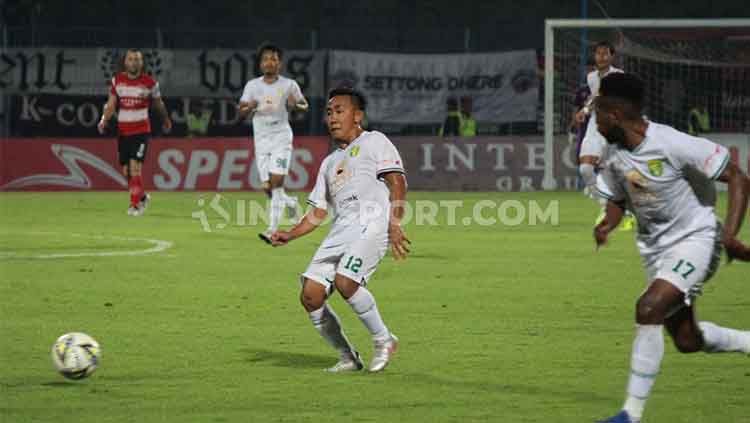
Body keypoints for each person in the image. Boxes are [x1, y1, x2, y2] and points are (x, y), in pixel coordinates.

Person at [592, 73, 750, 423]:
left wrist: (729, 235)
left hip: (697, 238)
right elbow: (619, 196)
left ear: (615, 114)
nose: (595, 119)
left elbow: (738, 177)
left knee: (648, 307)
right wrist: (608, 222)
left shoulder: (671, 142)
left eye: (598, 112)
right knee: (687, 340)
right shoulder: (614, 153)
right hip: (655, 251)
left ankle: (629, 416)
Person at [269, 87, 410, 373]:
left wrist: (395, 224)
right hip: (341, 230)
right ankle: (348, 356)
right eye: (329, 112)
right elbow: (318, 212)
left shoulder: (375, 141)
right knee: (310, 295)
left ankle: (384, 339)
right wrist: (290, 233)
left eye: (340, 111)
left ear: (358, 116)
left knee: (347, 282)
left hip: (373, 223)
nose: (332, 117)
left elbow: (397, 182)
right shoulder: (329, 163)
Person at [237, 43, 309, 243]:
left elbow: (305, 104)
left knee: (277, 183)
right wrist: (249, 107)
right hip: (261, 138)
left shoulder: (289, 85)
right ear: (261, 64)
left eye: (274, 59)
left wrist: (297, 106)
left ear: (280, 63)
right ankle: (291, 202)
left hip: (281, 136)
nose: (270, 62)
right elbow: (241, 110)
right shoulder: (253, 86)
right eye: (266, 58)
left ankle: (272, 229)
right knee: (268, 187)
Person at [98, 48, 172, 216]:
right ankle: (142, 196)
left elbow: (158, 104)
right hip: (123, 132)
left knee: (135, 168)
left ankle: (135, 205)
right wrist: (104, 120)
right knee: (126, 172)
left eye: (137, 59)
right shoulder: (117, 81)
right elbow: (111, 105)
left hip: (141, 131)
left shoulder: (150, 83)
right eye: (131, 59)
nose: (134, 62)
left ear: (142, 62)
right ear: (125, 62)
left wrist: (165, 119)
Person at [575, 41, 635, 230]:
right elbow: (595, 96)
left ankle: (631, 212)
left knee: (619, 173)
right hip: (594, 125)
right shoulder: (591, 77)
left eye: (605, 54)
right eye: (598, 54)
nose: (601, 57)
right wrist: (585, 110)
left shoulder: (618, 76)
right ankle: (605, 207)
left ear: (612, 57)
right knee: (585, 169)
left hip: (612, 126)